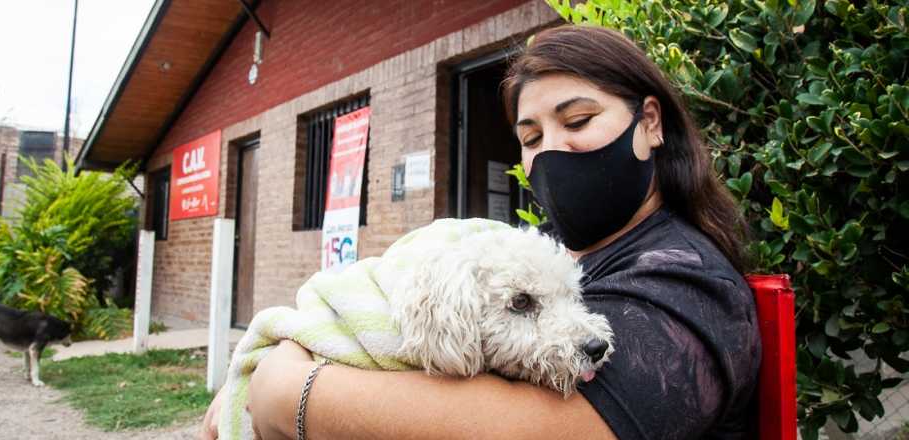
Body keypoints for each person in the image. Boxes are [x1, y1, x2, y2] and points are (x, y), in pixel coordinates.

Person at [201, 25, 761, 440]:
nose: (553, 149)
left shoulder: (684, 279)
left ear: (651, 123)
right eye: (531, 134)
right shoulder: (547, 256)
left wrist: (284, 390)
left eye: (578, 121)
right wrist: (282, 350)